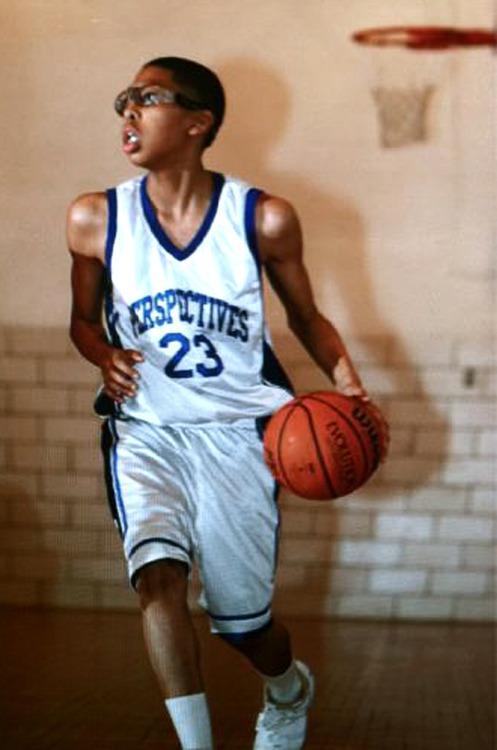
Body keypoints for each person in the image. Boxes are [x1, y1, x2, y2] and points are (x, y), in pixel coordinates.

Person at [67, 56, 388, 750]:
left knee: (243, 627)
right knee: (156, 579)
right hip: (147, 430)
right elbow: (84, 323)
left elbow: (306, 316)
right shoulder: (96, 217)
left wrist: (348, 383)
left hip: (240, 434)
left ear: (197, 122)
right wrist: (102, 356)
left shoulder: (262, 218)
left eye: (148, 97)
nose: (128, 111)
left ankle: (287, 687)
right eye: (124, 98)